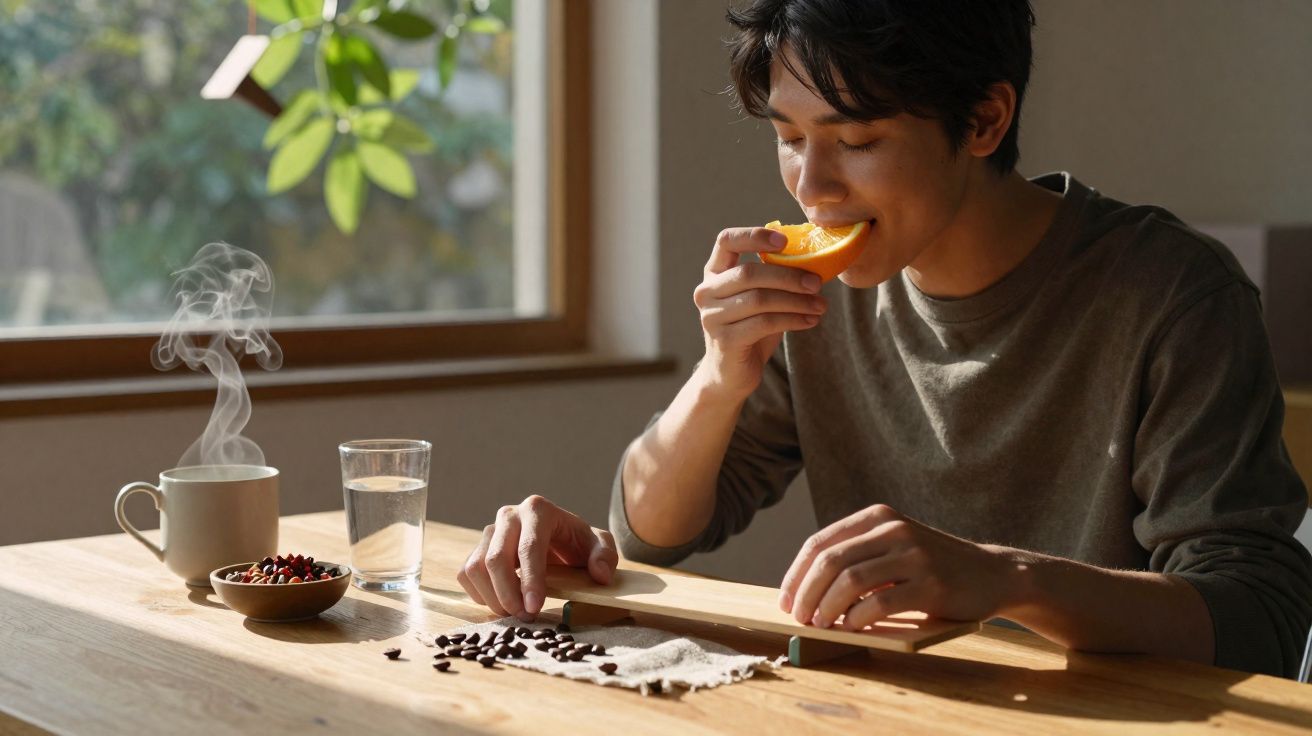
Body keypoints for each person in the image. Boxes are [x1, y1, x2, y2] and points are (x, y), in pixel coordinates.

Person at [455, 0, 1312, 678]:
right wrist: (719, 378)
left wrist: (1005, 578)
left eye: (856, 140)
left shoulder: (1173, 294)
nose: (813, 187)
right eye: (790, 140)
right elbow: (653, 536)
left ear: (984, 121)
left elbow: (1258, 622)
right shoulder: (820, 293)